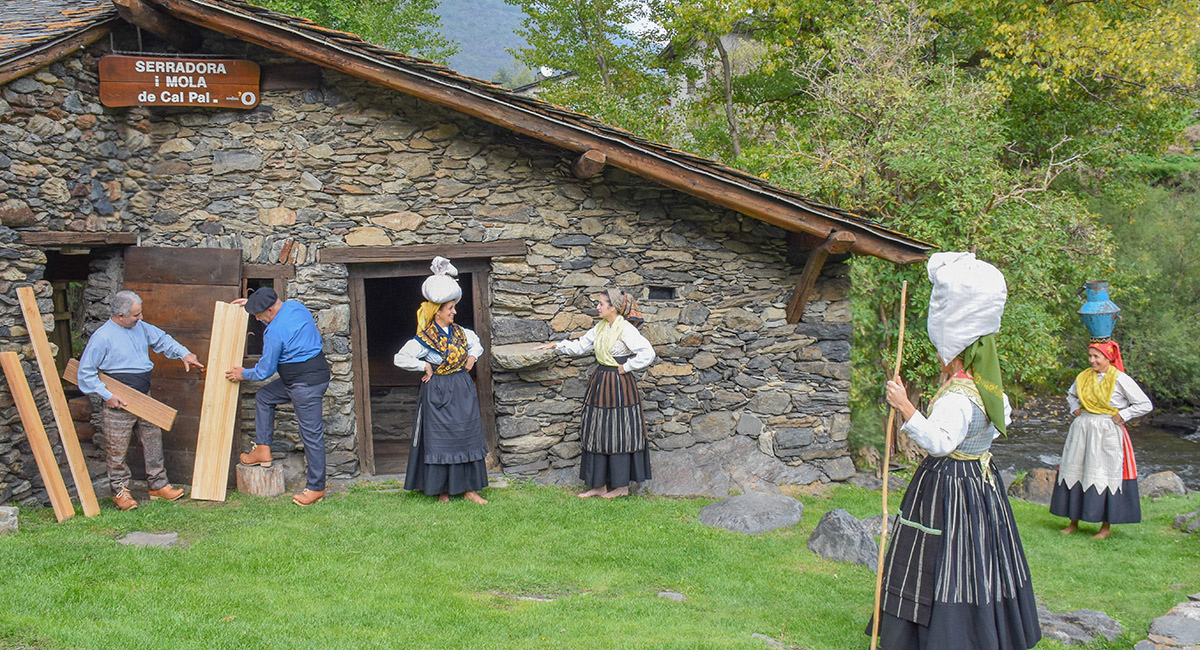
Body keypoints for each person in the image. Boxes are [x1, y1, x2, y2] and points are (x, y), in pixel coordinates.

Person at [873, 252, 1040, 650]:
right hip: (982, 482)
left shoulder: (959, 396)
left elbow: (941, 443)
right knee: (982, 558)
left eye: (941, 350)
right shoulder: (987, 386)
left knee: (942, 557)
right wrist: (976, 445)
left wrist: (905, 407)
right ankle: (988, 631)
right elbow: (1004, 422)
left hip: (948, 484)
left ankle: (945, 637)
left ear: (956, 351)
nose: (937, 356)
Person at [77, 290, 202, 511]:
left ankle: (158, 485)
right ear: (120, 315)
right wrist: (108, 395)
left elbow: (162, 340)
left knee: (153, 440)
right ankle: (120, 491)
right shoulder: (102, 337)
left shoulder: (141, 328)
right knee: (117, 449)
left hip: (144, 396)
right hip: (117, 397)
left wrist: (184, 354)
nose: (141, 318)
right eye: (136, 314)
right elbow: (85, 373)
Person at [534, 288, 655, 498]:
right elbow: (580, 346)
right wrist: (556, 345)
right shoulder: (600, 327)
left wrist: (627, 367)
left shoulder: (626, 330)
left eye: (601, 304)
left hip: (620, 386)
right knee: (597, 430)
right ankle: (599, 486)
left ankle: (621, 487)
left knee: (619, 432)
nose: (597, 307)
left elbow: (648, 353)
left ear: (613, 307)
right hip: (600, 383)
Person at [393, 257, 489, 504]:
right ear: (438, 312)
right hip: (437, 390)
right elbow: (400, 358)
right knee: (441, 440)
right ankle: (443, 491)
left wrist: (471, 356)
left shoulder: (462, 333)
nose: (455, 312)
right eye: (450, 308)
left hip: (461, 388)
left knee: (465, 436)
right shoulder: (424, 338)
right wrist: (423, 364)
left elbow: (476, 343)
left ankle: (469, 489)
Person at [226, 288, 330, 507]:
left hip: (305, 385)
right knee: (264, 396)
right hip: (304, 378)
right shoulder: (295, 306)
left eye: (258, 315)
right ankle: (263, 449)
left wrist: (242, 374)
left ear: (270, 310)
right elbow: (279, 324)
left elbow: (264, 371)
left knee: (311, 435)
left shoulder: (274, 333)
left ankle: (316, 488)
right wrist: (252, 303)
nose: (256, 319)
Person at [1049, 340, 1151, 539]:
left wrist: (1123, 415)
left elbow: (1144, 404)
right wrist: (1075, 408)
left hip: (1107, 430)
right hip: (1083, 428)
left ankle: (1105, 527)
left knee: (1105, 474)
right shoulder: (1083, 377)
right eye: (1090, 356)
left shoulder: (1121, 379)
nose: (1092, 360)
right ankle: (1073, 521)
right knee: (1077, 470)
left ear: (1108, 358)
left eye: (1096, 357)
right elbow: (1071, 395)